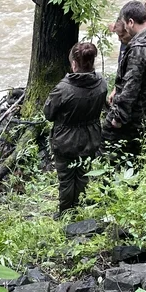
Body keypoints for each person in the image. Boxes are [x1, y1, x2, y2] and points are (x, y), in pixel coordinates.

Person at [43, 42, 108, 215]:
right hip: (91, 137)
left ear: (73, 64)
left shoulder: (63, 89)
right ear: (92, 62)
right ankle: (78, 208)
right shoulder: (102, 83)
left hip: (65, 141)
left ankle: (65, 213)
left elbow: (48, 113)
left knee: (66, 178)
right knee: (82, 175)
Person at [103, 1, 146, 164]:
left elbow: (130, 89)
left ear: (131, 22)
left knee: (109, 146)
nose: (125, 29)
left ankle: (115, 184)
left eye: (125, 25)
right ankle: (135, 179)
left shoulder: (138, 50)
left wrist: (117, 118)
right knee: (138, 147)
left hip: (134, 113)